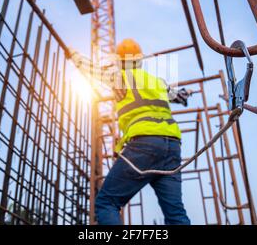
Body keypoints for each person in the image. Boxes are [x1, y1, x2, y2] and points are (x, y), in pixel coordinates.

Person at [69, 39, 191, 225]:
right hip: (172, 147)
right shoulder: (157, 81)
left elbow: (91, 69)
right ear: (140, 59)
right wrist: (186, 92)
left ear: (119, 60)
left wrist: (73, 53)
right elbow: (179, 97)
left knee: (106, 202)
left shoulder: (119, 76)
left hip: (144, 144)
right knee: (176, 214)